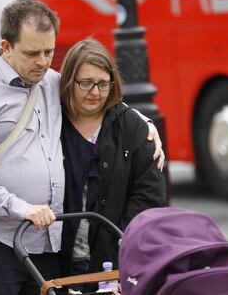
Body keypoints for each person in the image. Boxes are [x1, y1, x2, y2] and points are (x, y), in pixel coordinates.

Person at [0, 0, 164, 295]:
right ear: (6, 47)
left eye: (49, 51)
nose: (43, 62)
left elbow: (99, 95)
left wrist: (141, 122)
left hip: (47, 245)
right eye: (32, 53)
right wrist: (20, 208)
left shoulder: (50, 82)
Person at [59, 38, 166, 292]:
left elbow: (150, 195)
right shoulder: (52, 122)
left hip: (116, 263)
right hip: (57, 262)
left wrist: (124, 243)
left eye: (103, 84)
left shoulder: (131, 126)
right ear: (69, 82)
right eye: (86, 83)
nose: (95, 92)